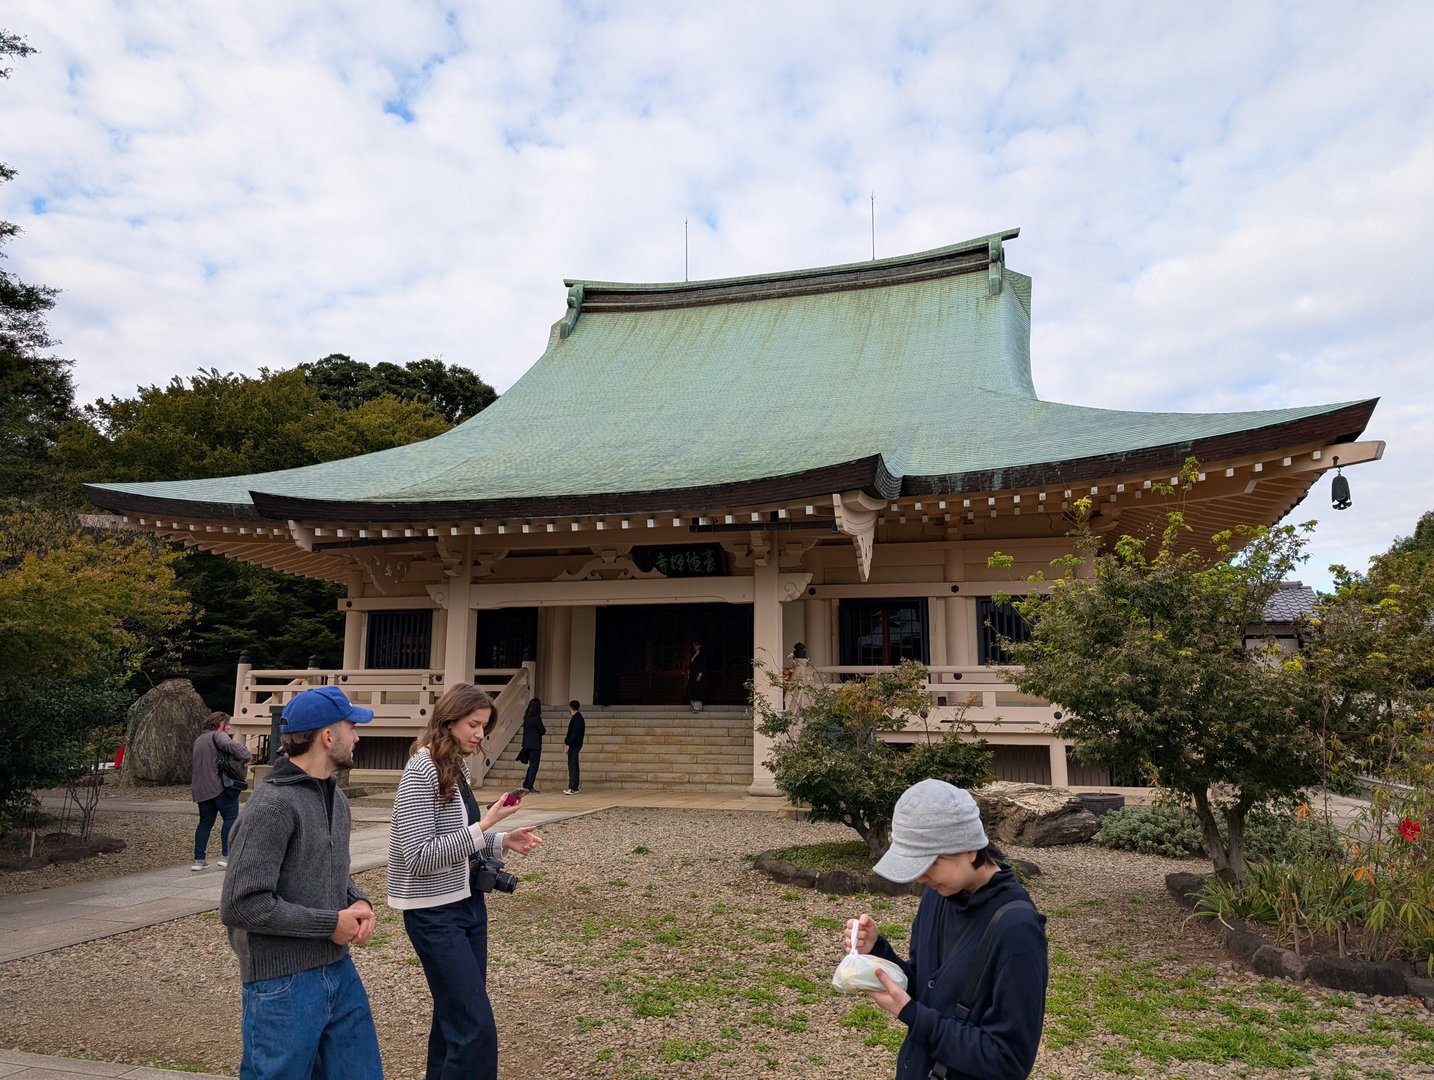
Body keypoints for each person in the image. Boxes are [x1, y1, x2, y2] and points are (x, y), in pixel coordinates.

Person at [219, 685, 382, 1080]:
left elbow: (328, 870)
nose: (357, 736)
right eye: (351, 727)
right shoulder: (271, 806)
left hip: (337, 969)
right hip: (281, 982)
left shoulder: (335, 798)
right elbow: (241, 904)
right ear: (328, 737)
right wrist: (331, 923)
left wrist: (357, 900)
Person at [388, 683, 543, 1080]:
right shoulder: (421, 769)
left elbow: (459, 839)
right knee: (475, 1027)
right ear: (449, 719)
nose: (479, 734)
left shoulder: (453, 766)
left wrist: (502, 840)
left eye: (484, 727)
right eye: (473, 725)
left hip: (467, 905)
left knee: (453, 1019)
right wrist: (486, 824)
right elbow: (419, 856)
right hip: (433, 913)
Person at [845, 779, 1048, 1080]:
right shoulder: (939, 894)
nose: (922, 877)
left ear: (969, 847)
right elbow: (929, 988)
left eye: (930, 862)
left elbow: (1009, 1060)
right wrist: (877, 950)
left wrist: (914, 1016)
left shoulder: (1017, 930)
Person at [191, 710, 253, 871]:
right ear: (220, 723)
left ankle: (199, 859)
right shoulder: (217, 735)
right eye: (227, 724)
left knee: (205, 822)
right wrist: (247, 756)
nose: (229, 727)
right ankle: (227, 855)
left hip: (201, 788)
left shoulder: (199, 740)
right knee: (230, 818)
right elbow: (231, 745)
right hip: (220, 785)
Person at [519, 696, 544, 792]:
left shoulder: (526, 716)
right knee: (534, 766)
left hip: (526, 744)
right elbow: (542, 730)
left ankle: (526, 783)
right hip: (535, 745)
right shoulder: (536, 717)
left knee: (531, 765)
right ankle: (529, 785)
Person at [563, 699, 585, 795]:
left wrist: (568, 744)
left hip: (574, 745)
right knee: (574, 765)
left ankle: (572, 787)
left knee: (572, 766)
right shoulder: (579, 718)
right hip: (576, 744)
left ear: (570, 707)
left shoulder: (576, 718)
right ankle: (575, 786)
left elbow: (573, 733)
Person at [684, 640, 707, 713]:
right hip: (692, 675)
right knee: (691, 690)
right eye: (693, 645)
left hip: (698, 675)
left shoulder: (702, 655)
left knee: (697, 691)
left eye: (695, 645)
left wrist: (700, 675)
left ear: (699, 646)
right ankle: (694, 706)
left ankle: (698, 708)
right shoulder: (694, 654)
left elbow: (703, 666)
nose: (694, 646)